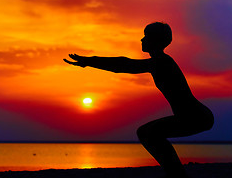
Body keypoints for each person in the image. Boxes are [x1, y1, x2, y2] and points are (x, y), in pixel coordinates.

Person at [63, 22, 214, 178]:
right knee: (147, 133)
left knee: (148, 133)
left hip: (197, 116)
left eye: (146, 36)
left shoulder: (161, 62)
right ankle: (176, 173)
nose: (142, 39)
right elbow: (125, 64)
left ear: (156, 40)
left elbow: (125, 64)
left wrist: (90, 61)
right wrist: (90, 62)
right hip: (194, 116)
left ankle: (177, 174)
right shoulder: (158, 62)